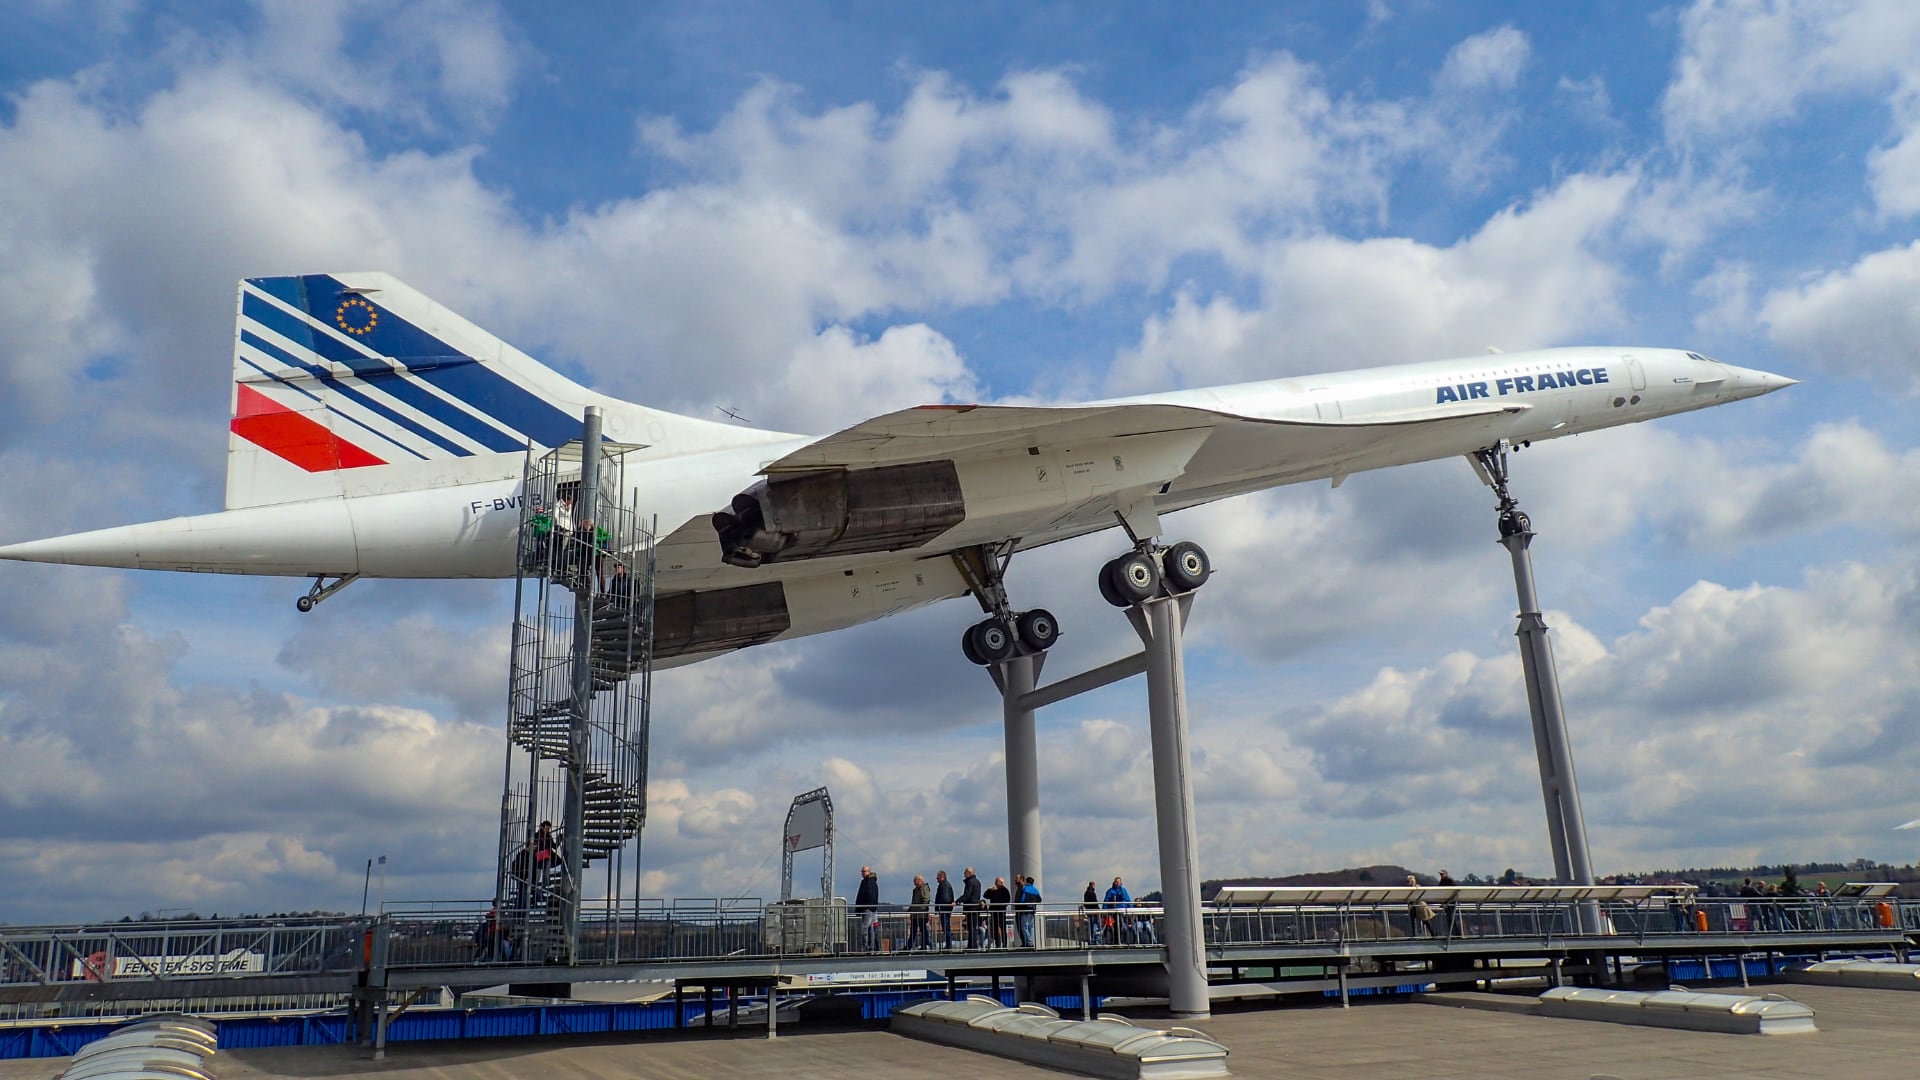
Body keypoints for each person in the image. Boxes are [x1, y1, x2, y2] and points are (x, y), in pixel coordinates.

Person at [853, 866, 880, 951]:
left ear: (868, 872)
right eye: (862, 871)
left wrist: (863, 906)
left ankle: (866, 947)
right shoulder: (871, 881)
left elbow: (866, 895)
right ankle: (871, 947)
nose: (862, 873)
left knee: (865, 927)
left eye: (864, 871)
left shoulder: (868, 882)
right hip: (872, 908)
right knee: (870, 928)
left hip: (868, 908)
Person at [1105, 876, 1135, 944]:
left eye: (1118, 882)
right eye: (1116, 881)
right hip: (1114, 912)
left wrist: (1131, 909)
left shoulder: (1123, 890)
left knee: (1123, 927)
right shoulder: (1110, 891)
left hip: (1123, 911)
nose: (1117, 883)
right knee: (1116, 927)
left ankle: (1123, 940)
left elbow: (1127, 900)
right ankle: (1116, 940)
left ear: (1121, 882)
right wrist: (1105, 911)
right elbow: (1106, 901)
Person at [984, 875, 1011, 948]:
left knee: (1002, 929)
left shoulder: (1005, 890)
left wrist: (1000, 904)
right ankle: (997, 944)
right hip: (993, 912)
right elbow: (985, 896)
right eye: (1000, 882)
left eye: (1002, 882)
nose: (1001, 884)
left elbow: (1007, 900)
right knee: (995, 929)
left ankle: (1005, 944)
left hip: (1001, 912)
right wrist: (989, 890)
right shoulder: (993, 890)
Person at [1016, 874, 1042, 948]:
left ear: (1027, 882)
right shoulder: (1036, 890)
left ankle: (1029, 942)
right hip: (1032, 910)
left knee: (1024, 927)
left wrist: (1020, 904)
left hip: (1025, 910)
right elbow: (1039, 900)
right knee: (1031, 927)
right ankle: (1030, 942)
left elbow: (1022, 900)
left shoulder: (1025, 888)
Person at [960, 867, 984, 949]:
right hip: (975, 907)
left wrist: (957, 901)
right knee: (973, 927)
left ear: (969, 873)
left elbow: (967, 895)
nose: (964, 874)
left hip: (971, 907)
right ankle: (973, 945)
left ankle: (972, 945)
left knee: (971, 928)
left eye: (965, 872)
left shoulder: (970, 882)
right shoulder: (977, 882)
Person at [908, 875, 932, 950]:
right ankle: (909, 946)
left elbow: (925, 900)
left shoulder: (924, 888)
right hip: (915, 914)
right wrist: (911, 910)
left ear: (920, 880)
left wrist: (919, 909)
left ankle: (926, 946)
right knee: (914, 931)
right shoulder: (915, 890)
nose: (914, 883)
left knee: (923, 931)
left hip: (921, 914)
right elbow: (914, 902)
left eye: (915, 881)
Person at [934, 870, 957, 950]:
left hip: (944, 909)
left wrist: (939, 907)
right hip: (945, 909)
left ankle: (948, 945)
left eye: (938, 877)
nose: (936, 879)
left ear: (942, 877)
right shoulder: (945, 885)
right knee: (946, 927)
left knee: (946, 928)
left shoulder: (944, 885)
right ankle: (948, 945)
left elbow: (944, 898)